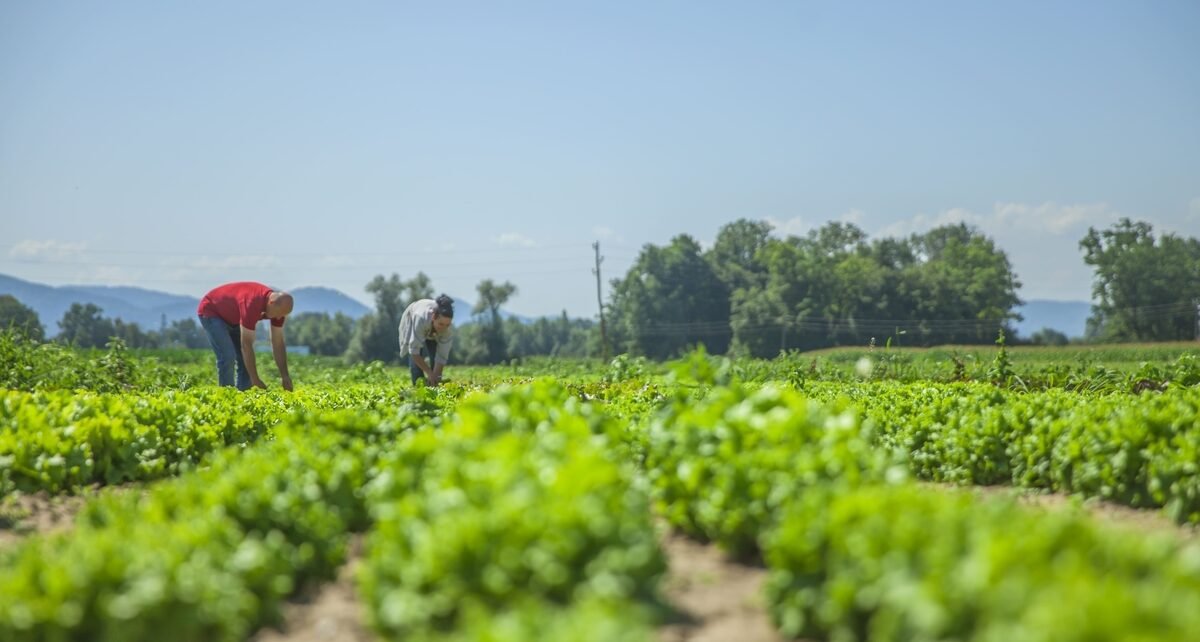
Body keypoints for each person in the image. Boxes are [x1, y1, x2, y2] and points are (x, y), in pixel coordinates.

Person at [197, 281, 294, 391]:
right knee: (228, 356)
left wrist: (285, 375)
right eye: (278, 313)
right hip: (212, 311)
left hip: (234, 318)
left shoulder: (279, 311)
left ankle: (242, 397)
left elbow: (278, 343)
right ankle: (226, 395)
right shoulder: (252, 303)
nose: (278, 318)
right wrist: (255, 379)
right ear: (271, 303)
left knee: (244, 360)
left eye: (282, 315)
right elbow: (246, 345)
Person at [398, 294, 454, 386]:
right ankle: (418, 387)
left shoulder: (447, 330)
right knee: (416, 365)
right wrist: (429, 373)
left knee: (434, 357)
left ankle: (433, 387)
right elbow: (414, 352)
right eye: (441, 324)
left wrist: (436, 376)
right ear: (433, 317)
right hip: (414, 319)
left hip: (432, 332)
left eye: (447, 325)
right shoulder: (420, 318)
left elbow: (441, 357)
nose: (444, 328)